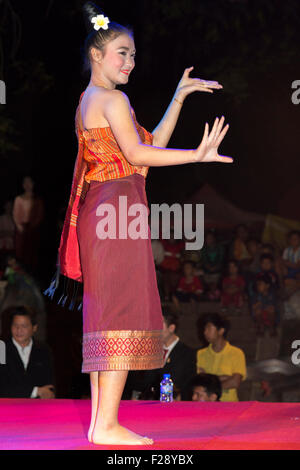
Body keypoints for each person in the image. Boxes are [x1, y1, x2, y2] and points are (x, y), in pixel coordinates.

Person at [50, 1, 232, 446]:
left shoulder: (93, 100)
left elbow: (146, 149)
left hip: (110, 207)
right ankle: (107, 424)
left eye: (133, 54)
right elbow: (137, 156)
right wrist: (197, 154)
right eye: (122, 53)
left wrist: (179, 97)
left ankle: (100, 423)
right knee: (117, 311)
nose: (131, 61)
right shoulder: (111, 98)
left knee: (108, 310)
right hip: (115, 209)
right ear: (96, 54)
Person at [125, 311, 197, 401]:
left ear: (171, 328)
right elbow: (141, 382)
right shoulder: (150, 351)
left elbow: (185, 384)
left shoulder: (187, 353)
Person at [0, 306, 55, 398]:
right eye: (15, 325)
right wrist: (36, 391)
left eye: (24, 326)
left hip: (37, 408)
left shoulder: (44, 350)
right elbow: (2, 387)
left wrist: (47, 393)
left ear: (34, 328)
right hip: (10, 407)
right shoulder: (1, 348)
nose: (19, 330)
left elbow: (49, 387)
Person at [196, 313, 246, 401]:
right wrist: (226, 377)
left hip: (230, 406)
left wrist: (210, 385)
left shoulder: (236, 353)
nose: (205, 332)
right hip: (207, 406)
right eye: (204, 328)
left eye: (209, 328)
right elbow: (200, 382)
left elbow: (235, 382)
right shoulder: (200, 354)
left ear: (221, 330)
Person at [12, 176, 44, 274]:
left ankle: (32, 276)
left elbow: (40, 215)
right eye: (25, 182)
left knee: (32, 255)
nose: (27, 185)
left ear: (33, 184)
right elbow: (15, 214)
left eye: (29, 182)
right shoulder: (18, 199)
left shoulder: (37, 200)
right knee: (21, 254)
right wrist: (19, 227)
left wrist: (33, 226)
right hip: (21, 230)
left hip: (33, 230)